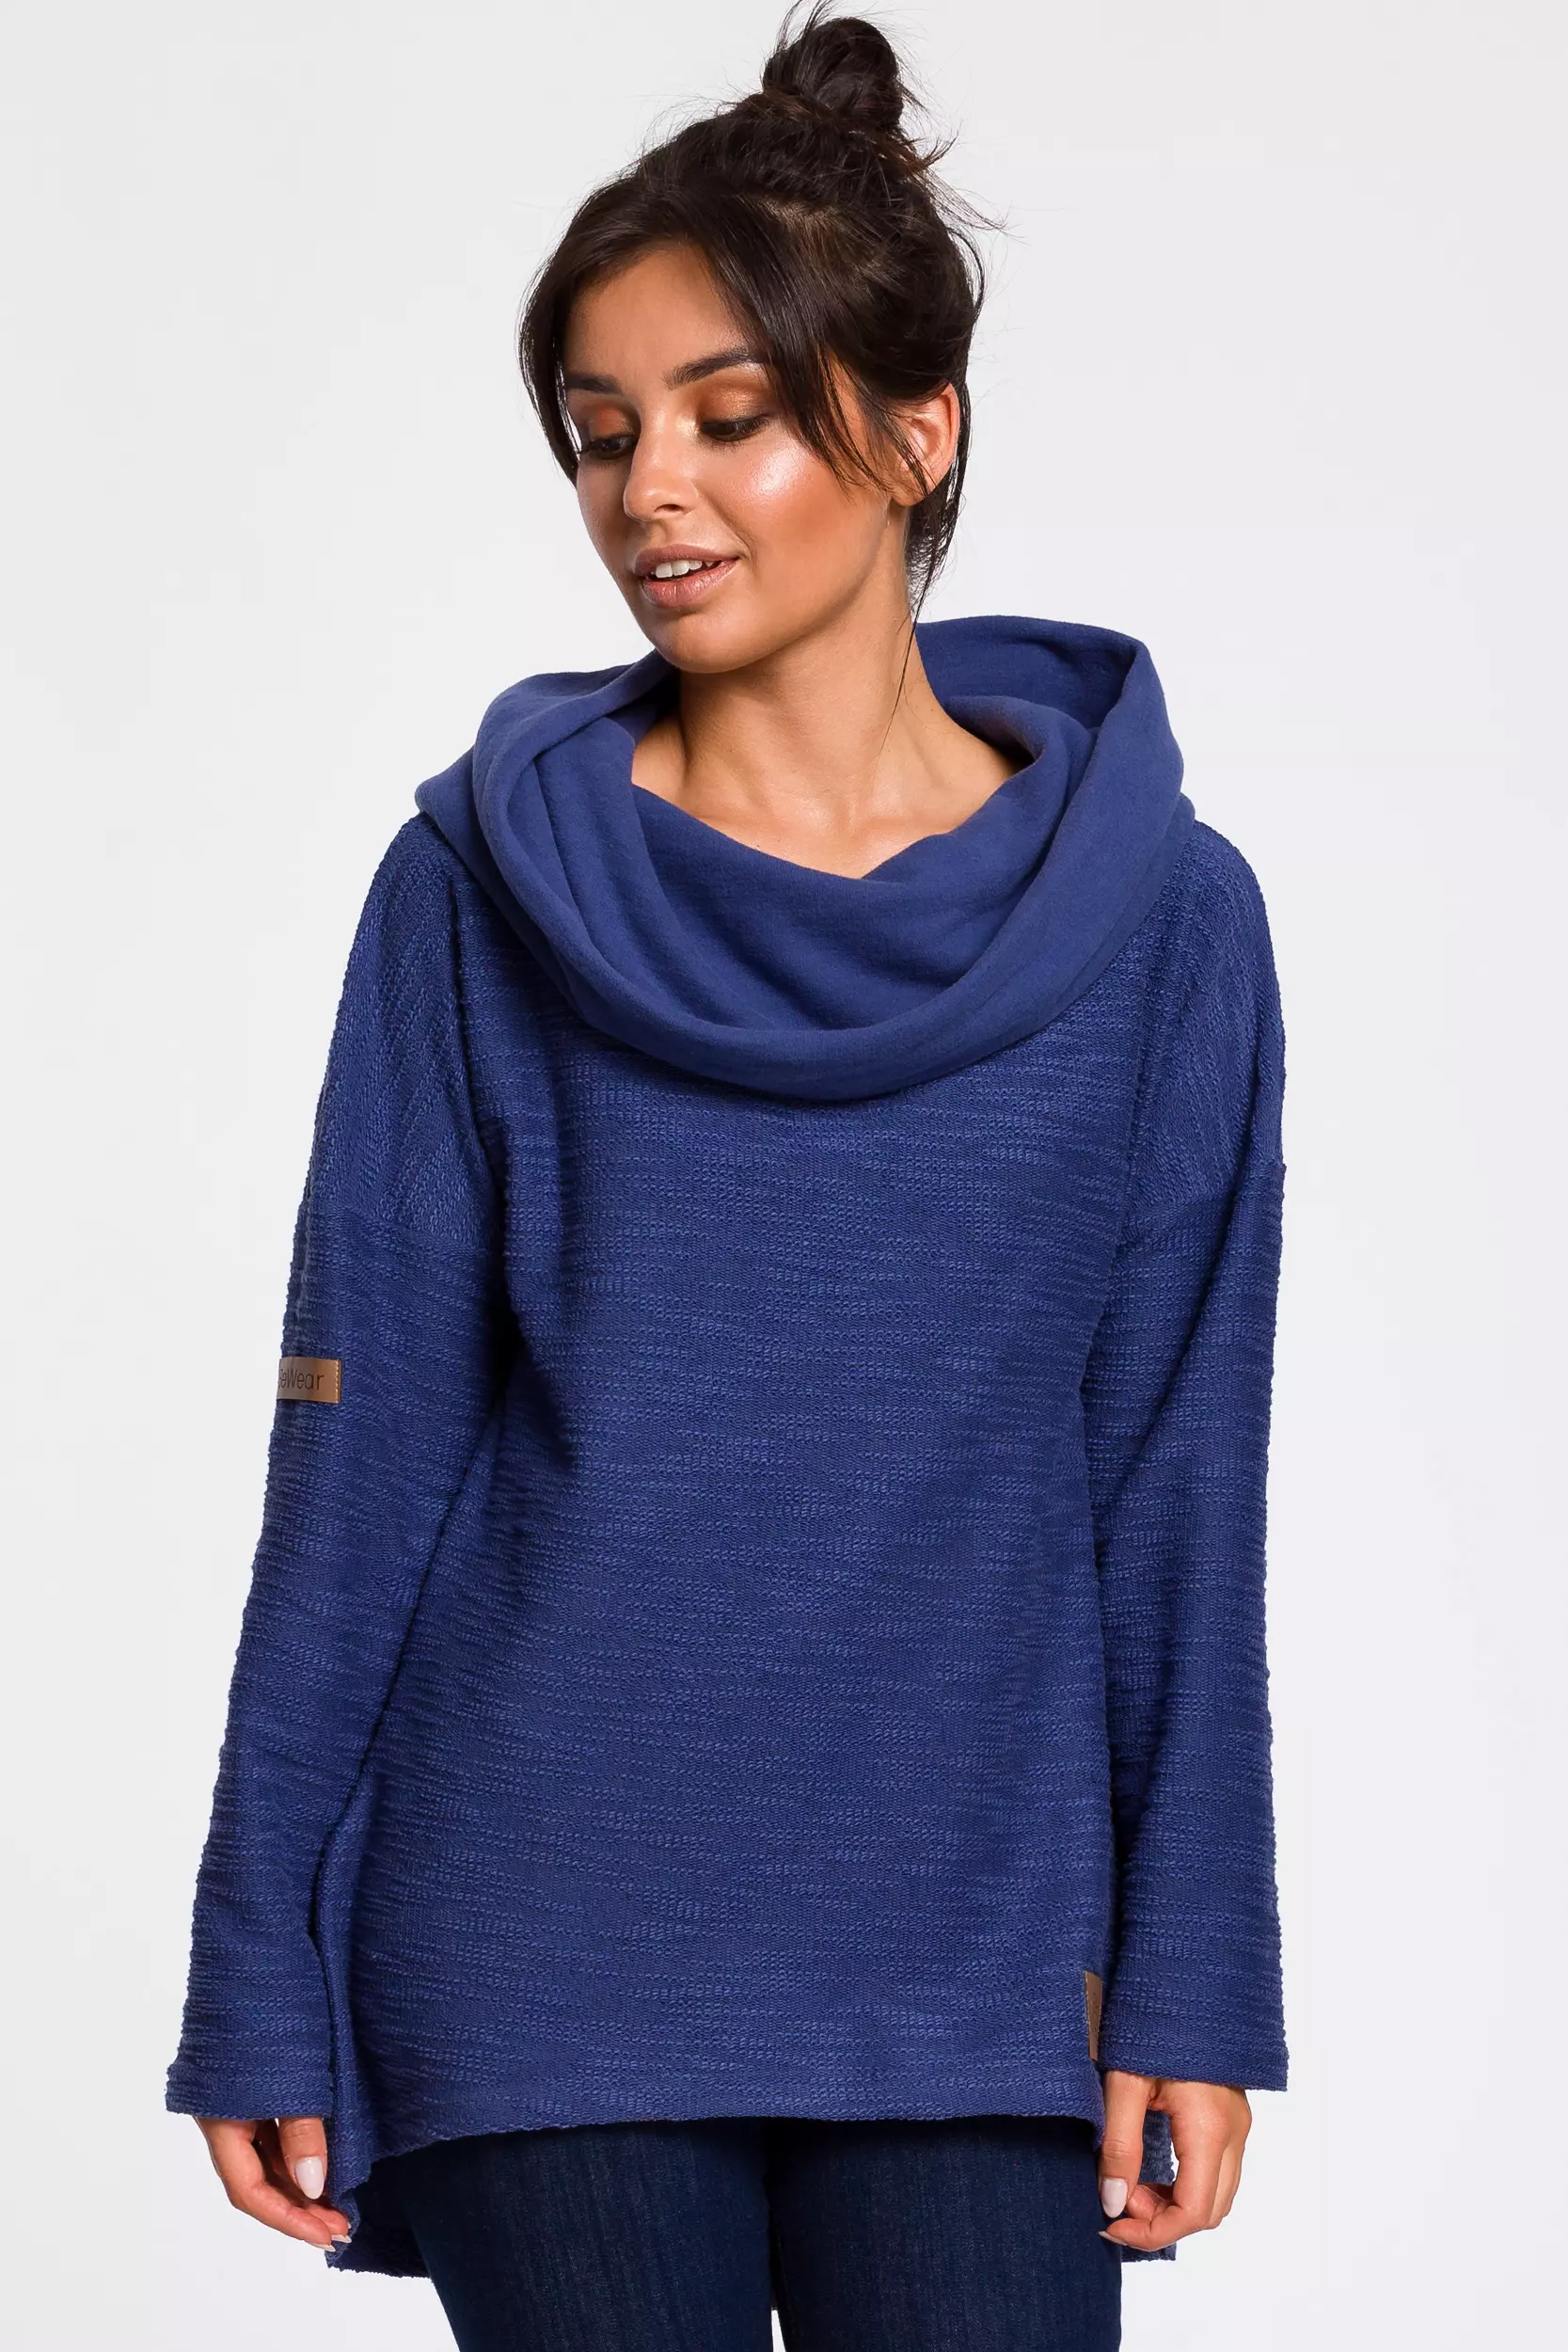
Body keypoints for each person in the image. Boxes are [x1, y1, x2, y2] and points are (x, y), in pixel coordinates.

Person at [167, 8, 1289, 2346]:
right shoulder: (475, 892)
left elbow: (1171, 1468)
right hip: (539, 1933)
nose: (644, 495)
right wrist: (256, 1950)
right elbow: (362, 1452)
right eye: (600, 434)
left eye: (725, 415)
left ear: (912, 429)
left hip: (982, 1950)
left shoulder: (1159, 921)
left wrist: (1194, 1964)